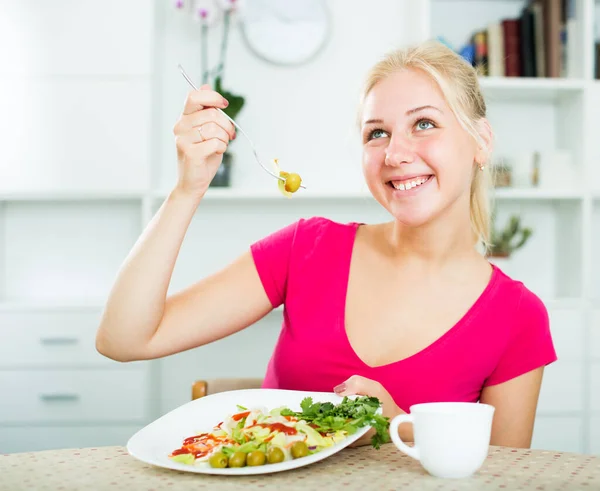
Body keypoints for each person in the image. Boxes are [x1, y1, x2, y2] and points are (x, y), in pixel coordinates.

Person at [96, 40, 557, 449]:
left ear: (481, 141)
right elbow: (125, 338)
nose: (395, 154)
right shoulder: (306, 250)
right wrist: (187, 189)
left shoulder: (518, 317)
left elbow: (502, 476)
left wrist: (398, 424)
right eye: (377, 133)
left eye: (424, 124)